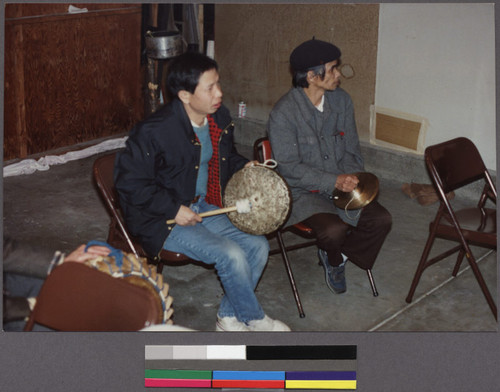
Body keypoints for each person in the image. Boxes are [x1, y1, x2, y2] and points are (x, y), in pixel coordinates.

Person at [114, 52, 290, 332]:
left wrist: (245, 164)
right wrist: (172, 208)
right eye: (210, 88)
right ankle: (253, 317)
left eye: (218, 83)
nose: (219, 93)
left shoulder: (217, 116)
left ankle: (229, 317)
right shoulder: (154, 131)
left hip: (203, 206)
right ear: (184, 95)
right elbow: (129, 183)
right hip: (161, 219)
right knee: (230, 253)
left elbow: (224, 156)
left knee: (257, 246)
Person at [267, 38, 392, 294]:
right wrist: (333, 181)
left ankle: (340, 256)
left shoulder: (341, 101)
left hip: (341, 184)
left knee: (381, 220)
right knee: (333, 230)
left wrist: (352, 178)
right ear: (312, 76)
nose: (338, 75)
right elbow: (290, 168)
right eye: (333, 69)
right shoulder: (284, 114)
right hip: (302, 192)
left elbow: (351, 150)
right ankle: (334, 261)